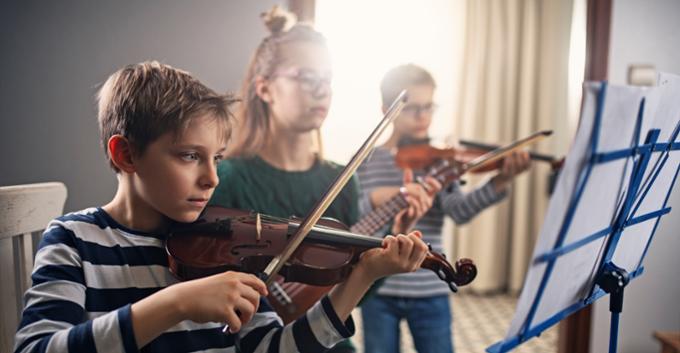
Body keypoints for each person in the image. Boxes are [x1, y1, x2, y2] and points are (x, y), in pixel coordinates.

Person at [13, 60, 429, 353]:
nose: (212, 178)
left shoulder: (221, 251)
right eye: (190, 156)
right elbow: (36, 349)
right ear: (126, 155)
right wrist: (175, 303)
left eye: (219, 158)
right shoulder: (74, 240)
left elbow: (272, 348)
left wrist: (360, 277)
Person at [207, 7, 435, 353]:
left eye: (327, 79)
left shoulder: (341, 178)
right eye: (306, 77)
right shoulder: (227, 178)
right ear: (265, 88)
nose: (321, 90)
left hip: (329, 342)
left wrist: (378, 265)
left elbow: (341, 290)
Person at [356, 63, 532, 353]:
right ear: (388, 108)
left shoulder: (439, 161)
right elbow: (357, 217)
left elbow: (459, 210)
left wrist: (501, 179)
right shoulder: (367, 160)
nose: (423, 117)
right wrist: (384, 196)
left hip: (430, 281)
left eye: (429, 107)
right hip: (378, 286)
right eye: (413, 109)